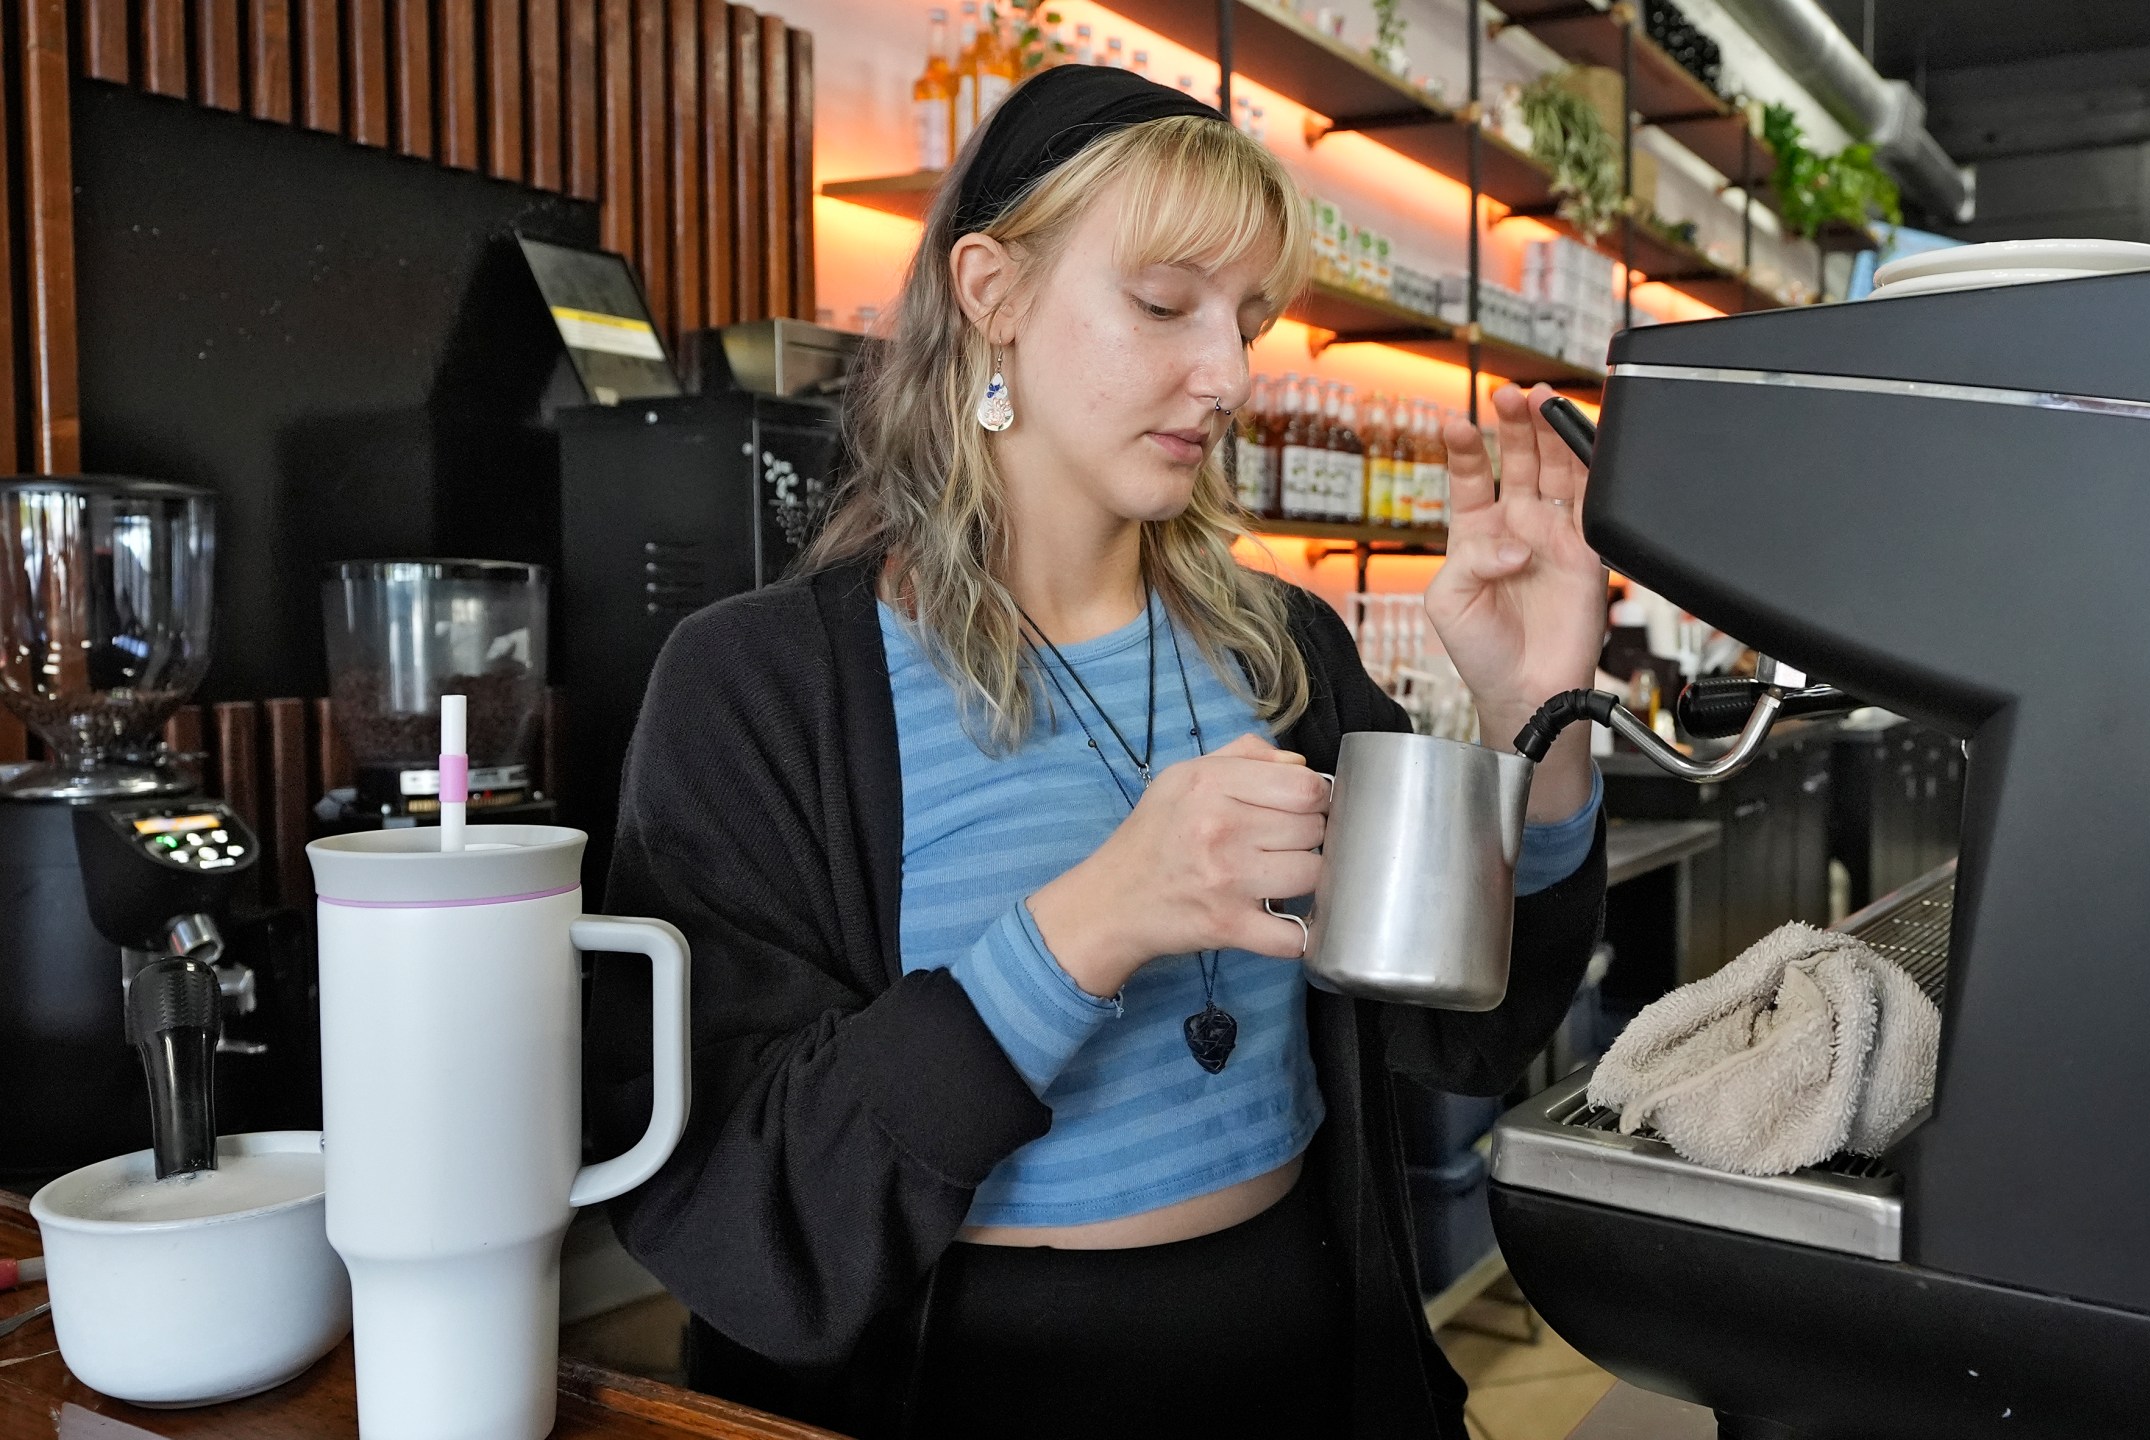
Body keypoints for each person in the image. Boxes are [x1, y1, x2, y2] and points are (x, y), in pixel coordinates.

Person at [588, 64, 1608, 1440]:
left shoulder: (1282, 650)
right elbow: (743, 1209)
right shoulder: (760, 689)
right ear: (990, 293)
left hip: (1310, 1367)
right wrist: (1092, 925)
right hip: (973, 1392)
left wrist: (1531, 724)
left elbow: (1472, 1026)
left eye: (1249, 317)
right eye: (1163, 303)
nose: (1232, 374)